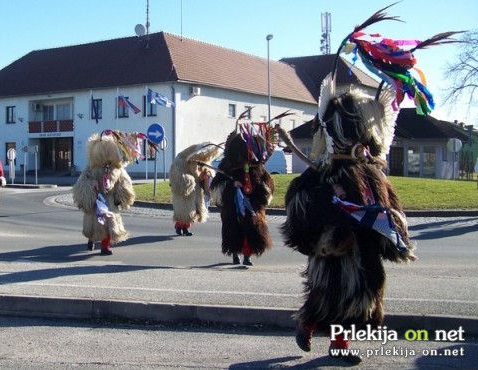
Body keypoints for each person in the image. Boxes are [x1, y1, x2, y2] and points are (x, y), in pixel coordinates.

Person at [277, 6, 455, 363]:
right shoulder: (323, 173)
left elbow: (389, 205)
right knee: (323, 294)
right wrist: (330, 207)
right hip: (332, 249)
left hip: (363, 251)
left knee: (360, 299)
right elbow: (299, 200)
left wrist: (394, 231)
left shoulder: (371, 172)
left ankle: (339, 346)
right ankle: (307, 325)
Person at [210, 116, 275, 266]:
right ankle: (234, 253)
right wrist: (233, 186)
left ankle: (247, 255)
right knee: (233, 227)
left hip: (252, 202)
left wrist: (259, 190)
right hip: (232, 204)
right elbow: (216, 187)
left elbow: (267, 183)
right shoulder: (227, 165)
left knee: (251, 227)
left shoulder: (256, 166)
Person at [72, 130, 141, 255]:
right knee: (95, 223)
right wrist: (91, 183)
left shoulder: (117, 169)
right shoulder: (91, 168)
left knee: (109, 224)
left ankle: (105, 246)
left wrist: (122, 195)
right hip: (96, 201)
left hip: (109, 201)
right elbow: (81, 182)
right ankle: (91, 240)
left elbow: (124, 182)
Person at [169, 142, 221, 236]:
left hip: (196, 190)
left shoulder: (200, 160)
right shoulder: (180, 160)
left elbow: (206, 171)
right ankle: (179, 226)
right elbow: (177, 177)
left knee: (195, 210)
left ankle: (186, 228)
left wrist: (207, 175)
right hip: (186, 191)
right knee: (185, 209)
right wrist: (190, 181)